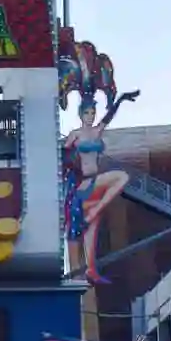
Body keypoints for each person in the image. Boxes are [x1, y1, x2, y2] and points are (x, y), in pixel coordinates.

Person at [57, 30, 139, 283]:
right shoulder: (75, 134)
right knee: (83, 226)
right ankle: (80, 270)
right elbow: (62, 153)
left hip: (95, 180)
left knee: (120, 180)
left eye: (93, 113)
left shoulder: (97, 130)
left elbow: (110, 116)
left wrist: (123, 99)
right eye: (88, 113)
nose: (91, 116)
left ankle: (89, 267)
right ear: (81, 114)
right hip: (81, 183)